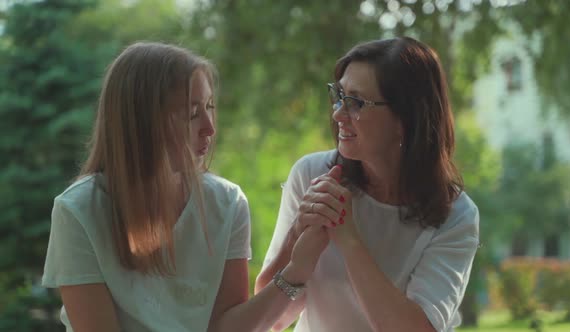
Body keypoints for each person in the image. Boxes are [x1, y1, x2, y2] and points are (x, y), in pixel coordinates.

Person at [42, 42, 331, 332]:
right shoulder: (78, 211)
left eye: (209, 107)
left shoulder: (227, 203)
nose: (210, 127)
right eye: (192, 113)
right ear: (144, 120)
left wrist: (296, 271)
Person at [256, 37, 480, 332]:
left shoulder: (456, 215)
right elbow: (271, 320)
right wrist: (297, 235)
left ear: (405, 118)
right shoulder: (312, 174)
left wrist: (348, 240)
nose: (338, 113)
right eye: (339, 96)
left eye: (356, 102)